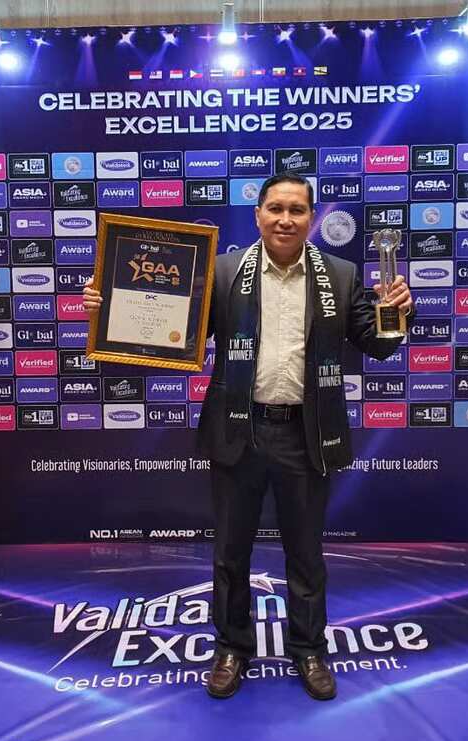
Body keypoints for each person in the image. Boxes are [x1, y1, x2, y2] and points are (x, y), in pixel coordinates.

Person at [83, 172, 413, 700]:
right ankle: (232, 648)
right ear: (258, 215)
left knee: (305, 553)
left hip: (306, 434)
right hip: (239, 429)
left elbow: (378, 344)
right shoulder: (222, 271)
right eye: (276, 208)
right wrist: (111, 313)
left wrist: (396, 311)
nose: (286, 219)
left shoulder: (342, 274)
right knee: (230, 554)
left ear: (311, 219)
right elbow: (171, 332)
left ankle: (309, 649)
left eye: (297, 210)